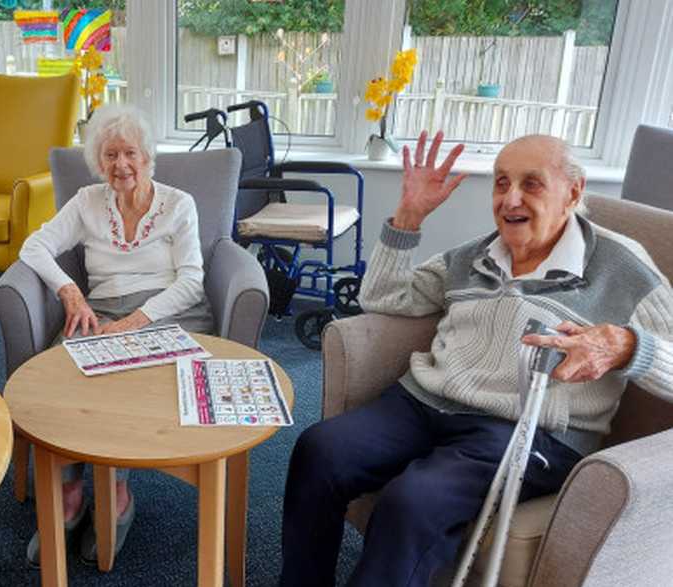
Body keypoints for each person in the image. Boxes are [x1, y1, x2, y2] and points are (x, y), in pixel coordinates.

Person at [280, 131, 673, 586]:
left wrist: (625, 346)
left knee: (412, 502)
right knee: (320, 450)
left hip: (528, 428)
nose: (511, 199)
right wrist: (409, 215)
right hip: (423, 402)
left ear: (574, 191)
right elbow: (382, 297)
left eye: (531, 183)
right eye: (502, 183)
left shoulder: (622, 268)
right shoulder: (475, 255)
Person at [18, 103, 214, 565]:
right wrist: (70, 292)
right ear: (98, 161)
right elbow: (35, 245)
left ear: (147, 157)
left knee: (126, 379)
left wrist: (134, 322)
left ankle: (118, 491)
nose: (120, 164)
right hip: (100, 308)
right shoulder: (87, 201)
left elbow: (191, 281)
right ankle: (67, 492)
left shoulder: (178, 204)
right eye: (110, 155)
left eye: (130, 153)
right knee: (59, 375)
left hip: (169, 310)